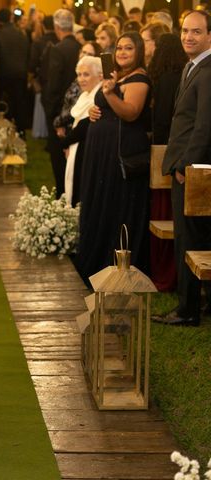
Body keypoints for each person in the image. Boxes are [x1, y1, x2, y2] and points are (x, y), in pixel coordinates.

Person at [76, 32, 152, 282]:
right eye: (119, 48)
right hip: (102, 153)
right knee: (100, 204)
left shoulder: (139, 79)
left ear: (138, 51)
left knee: (115, 206)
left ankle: (113, 266)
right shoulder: (118, 76)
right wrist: (94, 109)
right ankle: (94, 262)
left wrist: (108, 96)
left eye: (128, 48)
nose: (121, 53)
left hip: (120, 155)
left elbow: (130, 113)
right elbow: (106, 106)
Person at [155, 10, 211, 326]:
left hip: (192, 170)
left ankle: (187, 309)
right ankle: (198, 305)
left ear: (210, 36)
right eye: (185, 31)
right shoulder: (193, 67)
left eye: (196, 32)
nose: (188, 37)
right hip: (185, 166)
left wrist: (185, 165)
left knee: (189, 239)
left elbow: (204, 127)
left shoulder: (208, 70)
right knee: (192, 236)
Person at [147, 33, 187, 292]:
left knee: (165, 213)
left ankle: (166, 271)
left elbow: (162, 120)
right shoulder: (183, 74)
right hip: (174, 151)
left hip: (166, 154)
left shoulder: (164, 80)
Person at [41, 8, 81, 198]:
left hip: (60, 112)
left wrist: (51, 114)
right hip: (80, 109)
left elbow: (53, 85)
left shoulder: (57, 49)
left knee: (59, 158)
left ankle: (62, 196)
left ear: (57, 27)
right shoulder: (80, 46)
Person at [59, 55, 102, 206]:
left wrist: (65, 142)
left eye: (86, 74)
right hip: (77, 147)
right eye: (79, 74)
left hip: (88, 149)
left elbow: (85, 125)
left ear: (100, 76)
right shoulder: (85, 95)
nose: (82, 79)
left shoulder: (99, 96)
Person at [0, 8, 29, 135]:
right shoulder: (21, 33)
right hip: (20, 73)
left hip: (4, 73)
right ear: (11, 18)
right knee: (19, 103)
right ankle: (21, 132)